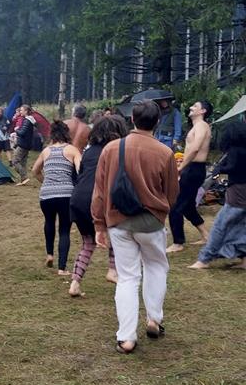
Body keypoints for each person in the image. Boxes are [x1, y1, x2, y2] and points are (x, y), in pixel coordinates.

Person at [92, 100, 179, 354]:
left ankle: (127, 338)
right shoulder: (165, 153)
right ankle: (154, 319)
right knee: (156, 267)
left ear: (132, 120)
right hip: (151, 222)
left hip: (118, 221)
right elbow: (172, 194)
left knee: (127, 277)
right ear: (158, 121)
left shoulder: (111, 149)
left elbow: (99, 192)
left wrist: (99, 224)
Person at [67, 116, 129, 297]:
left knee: (88, 242)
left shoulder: (88, 151)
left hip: (78, 199)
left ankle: (75, 283)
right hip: (98, 199)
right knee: (117, 235)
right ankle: (113, 270)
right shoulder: (116, 151)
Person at [189, 121, 246, 270]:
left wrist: (219, 171)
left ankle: (204, 259)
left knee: (221, 225)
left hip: (238, 193)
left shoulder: (234, 151)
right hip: (242, 191)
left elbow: (230, 169)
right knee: (242, 225)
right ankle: (245, 260)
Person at [32, 121, 82, 275]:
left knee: (49, 222)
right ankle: (61, 268)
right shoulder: (72, 150)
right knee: (64, 230)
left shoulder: (46, 151)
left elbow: (35, 170)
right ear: (67, 133)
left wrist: (45, 181)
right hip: (66, 194)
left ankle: (49, 254)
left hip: (46, 194)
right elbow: (81, 171)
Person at [166, 100, 213, 253]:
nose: (191, 108)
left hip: (193, 169)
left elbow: (195, 149)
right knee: (187, 205)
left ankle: (178, 243)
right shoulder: (196, 126)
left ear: (203, 111)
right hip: (192, 168)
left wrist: (181, 166)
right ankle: (206, 235)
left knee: (175, 205)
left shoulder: (202, 126)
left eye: (195, 106)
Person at [12, 105, 38, 185]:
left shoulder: (27, 121)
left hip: (23, 144)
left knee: (15, 161)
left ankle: (25, 177)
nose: (20, 112)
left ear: (26, 111)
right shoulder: (31, 120)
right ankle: (23, 180)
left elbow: (22, 133)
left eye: (21, 110)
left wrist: (16, 130)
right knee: (23, 162)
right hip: (27, 144)